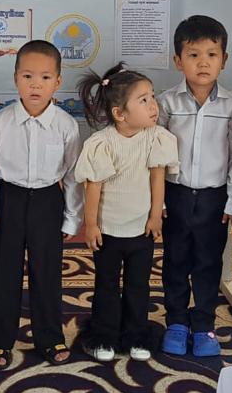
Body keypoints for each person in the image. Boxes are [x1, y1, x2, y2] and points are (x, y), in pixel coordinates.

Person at [0, 40, 83, 370]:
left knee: (47, 273)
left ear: (57, 81)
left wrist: (71, 219)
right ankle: (0, 339)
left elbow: (72, 175)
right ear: (16, 79)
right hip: (8, 200)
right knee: (5, 273)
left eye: (45, 77)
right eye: (27, 76)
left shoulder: (66, 125)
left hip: (47, 201)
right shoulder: (0, 122)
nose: (35, 85)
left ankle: (50, 337)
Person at [74, 64, 179, 362]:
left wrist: (156, 215)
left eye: (152, 96)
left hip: (141, 229)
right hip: (107, 230)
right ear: (120, 113)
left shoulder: (156, 138)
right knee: (106, 284)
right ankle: (104, 336)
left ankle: (136, 335)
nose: (153, 105)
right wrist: (91, 224)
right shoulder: (102, 143)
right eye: (143, 100)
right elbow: (93, 187)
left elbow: (157, 179)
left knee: (138, 285)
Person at [156, 15, 232, 358]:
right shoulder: (166, 103)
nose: (203, 62)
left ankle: (204, 324)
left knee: (208, 263)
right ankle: (177, 322)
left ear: (225, 59)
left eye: (212, 54)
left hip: (214, 198)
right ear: (178, 60)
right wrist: (159, 202)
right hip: (175, 196)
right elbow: (157, 156)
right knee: (175, 260)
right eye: (193, 55)